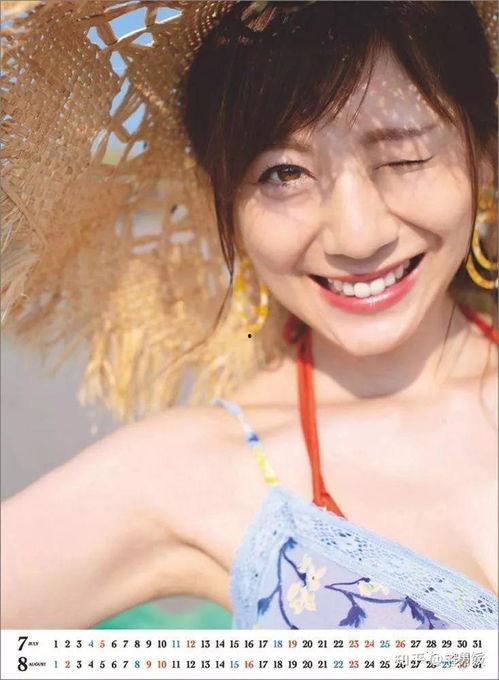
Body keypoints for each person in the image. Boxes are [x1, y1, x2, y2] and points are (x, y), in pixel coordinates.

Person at [1, 0, 498, 630]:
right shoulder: (196, 472)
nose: (356, 235)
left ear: (485, 155)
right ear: (228, 199)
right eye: (284, 174)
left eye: (404, 158)